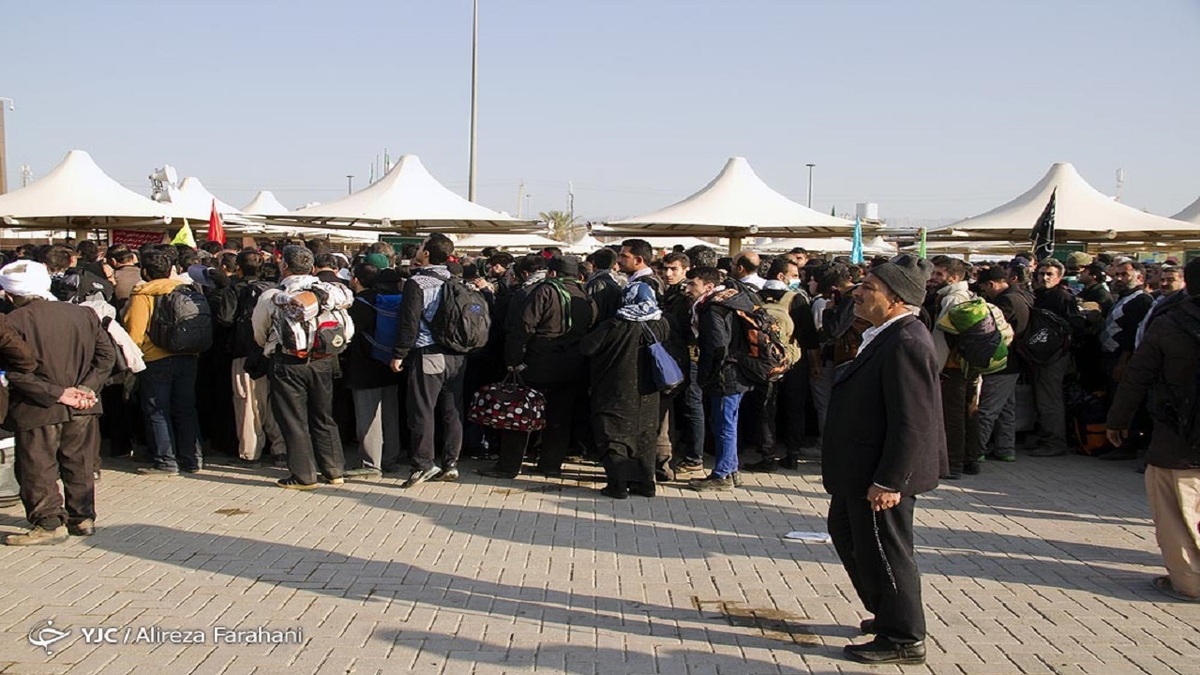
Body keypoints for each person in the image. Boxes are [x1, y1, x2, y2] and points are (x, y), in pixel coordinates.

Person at [822, 254, 946, 665]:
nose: (857, 293)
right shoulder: (882, 333)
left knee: (885, 550)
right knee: (847, 533)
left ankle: (904, 636)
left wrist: (892, 480)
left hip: (880, 473)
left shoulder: (907, 341)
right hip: (858, 468)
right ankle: (887, 612)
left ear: (895, 299)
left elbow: (914, 421)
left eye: (869, 289)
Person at [1106, 258, 1200, 602]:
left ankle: (1190, 581)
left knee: (1176, 513)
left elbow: (1136, 377)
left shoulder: (1169, 324)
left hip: (1176, 437)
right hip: (1177, 433)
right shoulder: (1168, 322)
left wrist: (1117, 421)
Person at [1, 260, 114, 545]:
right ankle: (83, 517)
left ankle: (49, 522)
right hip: (83, 404)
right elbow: (106, 357)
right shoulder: (84, 314)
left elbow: (15, 373)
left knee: (37, 466)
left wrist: (59, 393)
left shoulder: (13, 322)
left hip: (39, 406)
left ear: (11, 294)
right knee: (79, 461)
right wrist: (86, 388)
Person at [252, 245, 353, 490]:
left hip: (288, 363)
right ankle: (334, 470)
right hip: (324, 360)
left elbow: (259, 332)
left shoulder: (274, 295)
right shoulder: (329, 293)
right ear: (311, 267)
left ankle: (303, 475)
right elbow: (347, 330)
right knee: (324, 416)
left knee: (293, 419)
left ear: (284, 265)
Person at [390, 234, 469, 487]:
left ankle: (424, 463)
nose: (419, 248)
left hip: (428, 352)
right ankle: (451, 462)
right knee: (451, 409)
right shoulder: (456, 279)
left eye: (422, 245)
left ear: (426, 254)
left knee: (422, 409)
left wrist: (399, 354)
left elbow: (409, 322)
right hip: (457, 354)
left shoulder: (418, 282)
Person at [580, 280, 669, 498]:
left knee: (613, 435)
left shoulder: (615, 324)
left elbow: (587, 347)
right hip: (649, 392)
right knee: (645, 436)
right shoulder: (661, 323)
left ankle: (618, 484)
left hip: (615, 389)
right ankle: (646, 483)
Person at [123, 248, 205, 476]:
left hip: (156, 359)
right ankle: (193, 459)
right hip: (188, 355)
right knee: (186, 409)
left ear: (145, 272)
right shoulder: (184, 289)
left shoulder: (143, 294)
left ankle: (166, 461)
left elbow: (135, 333)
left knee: (157, 410)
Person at [689, 267, 756, 491]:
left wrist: (706, 374)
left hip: (725, 375)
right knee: (729, 422)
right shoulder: (732, 300)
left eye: (692, 285)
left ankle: (722, 475)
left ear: (708, 286)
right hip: (738, 371)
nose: (688, 289)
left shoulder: (712, 309)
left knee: (724, 424)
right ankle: (731, 467)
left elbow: (717, 346)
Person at [970, 266, 1032, 464]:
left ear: (991, 284)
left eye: (984, 288)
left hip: (1003, 362)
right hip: (1015, 361)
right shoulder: (1023, 295)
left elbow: (992, 331)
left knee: (988, 409)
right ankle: (1005, 449)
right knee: (1006, 409)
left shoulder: (1005, 301)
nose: (984, 293)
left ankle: (975, 451)